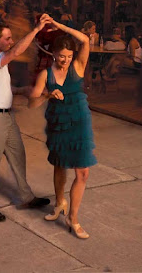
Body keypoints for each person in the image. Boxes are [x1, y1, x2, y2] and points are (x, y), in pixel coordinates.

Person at [0, 16, 52, 222]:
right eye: (7, 38)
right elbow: (16, 52)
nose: (10, 41)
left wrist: (21, 90)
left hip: (5, 116)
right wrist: (36, 29)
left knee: (18, 154)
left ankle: (26, 197)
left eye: (11, 38)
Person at [28, 19, 96, 239]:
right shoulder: (45, 75)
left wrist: (59, 25)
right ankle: (60, 203)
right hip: (58, 122)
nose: (66, 61)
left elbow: (85, 40)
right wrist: (48, 94)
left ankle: (73, 218)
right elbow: (32, 102)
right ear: (53, 54)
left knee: (82, 172)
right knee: (60, 165)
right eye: (61, 56)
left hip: (79, 120)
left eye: (69, 56)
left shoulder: (78, 66)